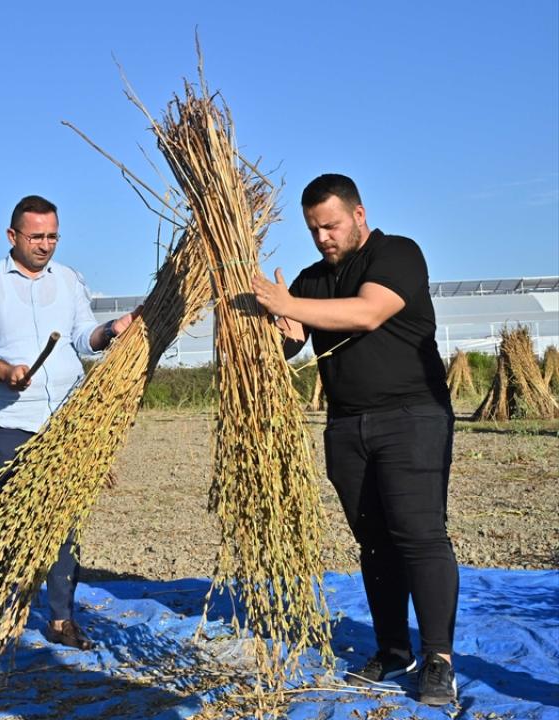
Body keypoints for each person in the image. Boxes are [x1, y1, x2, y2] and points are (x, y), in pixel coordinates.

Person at [252, 173, 458, 706]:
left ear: (359, 215)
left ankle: (438, 659)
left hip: (412, 417)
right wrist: (276, 331)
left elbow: (367, 312)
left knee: (419, 533)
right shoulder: (312, 280)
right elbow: (291, 343)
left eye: (332, 225)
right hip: (346, 425)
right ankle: (393, 649)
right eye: (314, 229)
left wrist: (290, 306)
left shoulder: (398, 255)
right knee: (374, 540)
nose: (323, 237)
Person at [0, 195, 138, 651]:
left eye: (52, 235)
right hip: (14, 420)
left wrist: (110, 331)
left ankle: (61, 620)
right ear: (12, 236)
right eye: (36, 236)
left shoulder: (70, 280)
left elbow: (83, 335)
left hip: (66, 422)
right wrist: (4, 370)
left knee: (66, 524)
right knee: (7, 524)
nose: (45, 245)